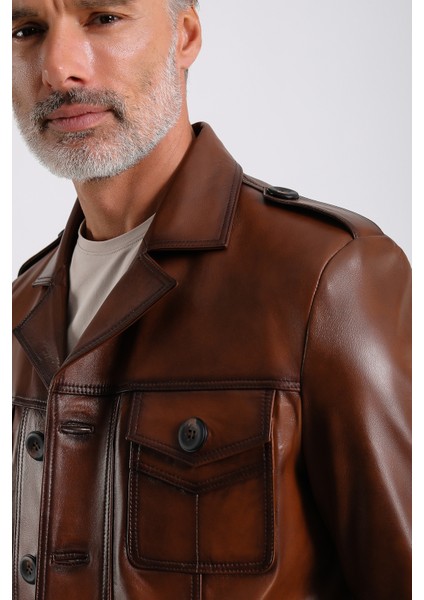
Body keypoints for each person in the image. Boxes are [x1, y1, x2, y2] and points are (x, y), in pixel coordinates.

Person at [12, 0, 411, 598]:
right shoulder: (23, 304)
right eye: (28, 29)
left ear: (186, 35)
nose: (57, 67)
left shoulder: (325, 274)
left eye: (104, 17)